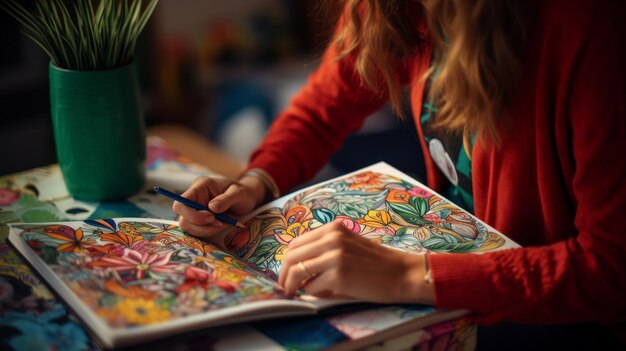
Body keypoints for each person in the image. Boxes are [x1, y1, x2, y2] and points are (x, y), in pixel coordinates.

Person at [173, 0, 626, 347]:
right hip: (465, 295)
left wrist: (409, 277)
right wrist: (256, 182)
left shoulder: (583, 25)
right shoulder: (392, 8)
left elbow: (609, 269)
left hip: (557, 321)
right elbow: (323, 108)